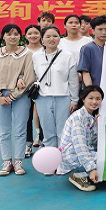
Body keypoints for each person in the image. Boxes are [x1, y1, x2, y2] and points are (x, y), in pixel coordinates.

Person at [0, 24, 35, 176]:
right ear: (3, 37)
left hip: (21, 96)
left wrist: (13, 95)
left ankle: (18, 161)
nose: (13, 37)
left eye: (16, 34)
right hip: (0, 96)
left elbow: (29, 77)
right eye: (9, 34)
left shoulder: (27, 54)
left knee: (20, 129)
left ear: (20, 36)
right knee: (3, 130)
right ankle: (7, 161)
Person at [32, 26, 79, 154]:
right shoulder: (36, 56)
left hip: (63, 98)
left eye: (55, 36)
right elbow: (32, 76)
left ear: (60, 38)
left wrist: (74, 100)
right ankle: (51, 158)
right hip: (42, 98)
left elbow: (73, 80)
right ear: (42, 39)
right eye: (48, 36)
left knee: (62, 131)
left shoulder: (68, 56)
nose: (51, 39)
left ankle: (63, 159)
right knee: (48, 132)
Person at [57, 85, 103, 192]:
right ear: (83, 99)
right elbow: (80, 146)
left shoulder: (91, 117)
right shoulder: (78, 118)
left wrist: (97, 126)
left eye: (98, 99)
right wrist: (91, 168)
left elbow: (94, 143)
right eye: (91, 98)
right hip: (73, 156)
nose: (94, 102)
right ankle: (78, 174)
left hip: (83, 154)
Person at [24, 24, 43, 157]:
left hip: (43, 88)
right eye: (30, 33)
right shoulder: (22, 51)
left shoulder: (46, 49)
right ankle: (28, 143)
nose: (33, 36)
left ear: (40, 35)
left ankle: (42, 141)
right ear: (25, 36)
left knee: (43, 116)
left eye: (36, 33)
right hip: (26, 88)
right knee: (27, 116)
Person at [78, 16, 106, 87]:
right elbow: (85, 72)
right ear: (93, 31)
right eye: (100, 29)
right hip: (95, 89)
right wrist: (91, 89)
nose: (104, 32)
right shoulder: (87, 48)